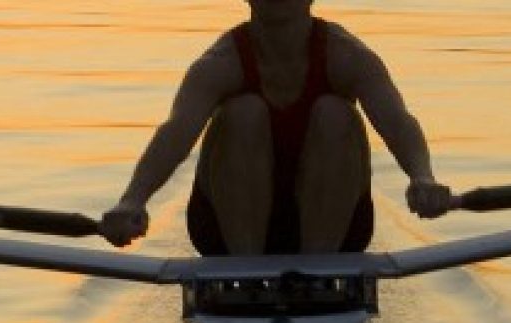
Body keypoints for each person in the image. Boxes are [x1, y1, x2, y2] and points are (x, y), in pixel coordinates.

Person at [99, 0, 453, 255]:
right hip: (227, 232)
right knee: (243, 113)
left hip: (334, 229)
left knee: (335, 114)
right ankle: (245, 272)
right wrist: (131, 202)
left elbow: (397, 121)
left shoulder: (347, 56)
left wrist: (422, 177)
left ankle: (319, 270)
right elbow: (175, 134)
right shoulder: (219, 64)